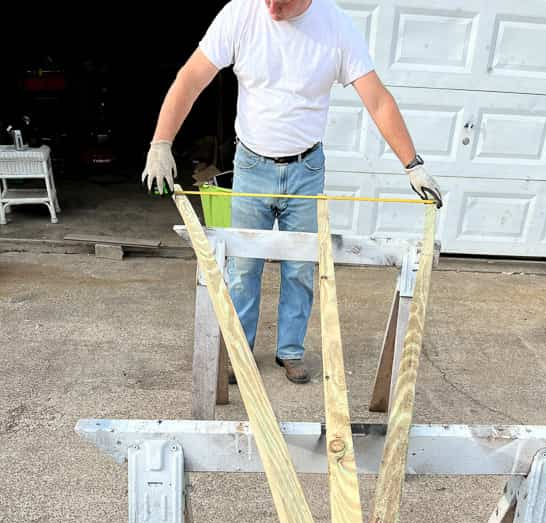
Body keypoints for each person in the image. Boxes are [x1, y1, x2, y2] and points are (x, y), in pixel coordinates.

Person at [142, 0, 442, 384]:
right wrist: (160, 143)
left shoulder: (335, 27)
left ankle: (290, 352)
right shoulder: (240, 14)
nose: (270, 8)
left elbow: (378, 100)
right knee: (243, 266)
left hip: (306, 168)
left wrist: (412, 164)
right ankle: (239, 350)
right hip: (252, 166)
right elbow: (191, 78)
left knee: (301, 266)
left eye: (280, 1)